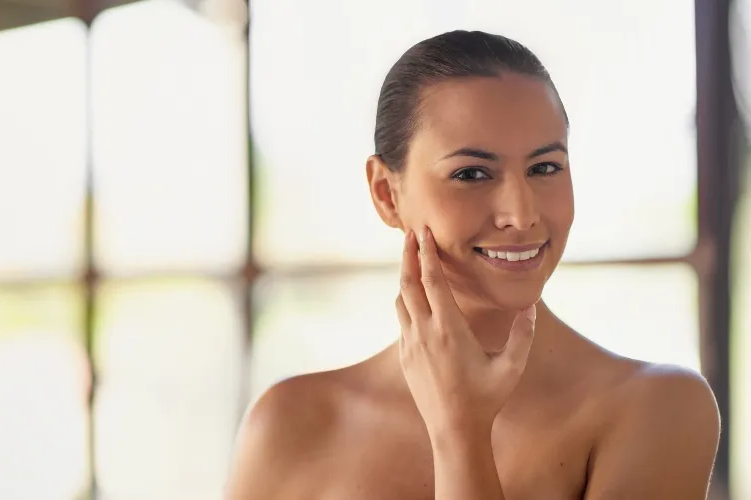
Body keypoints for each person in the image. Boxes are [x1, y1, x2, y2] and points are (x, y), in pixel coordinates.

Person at [226, 30, 720, 499]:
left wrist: (459, 431)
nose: (521, 215)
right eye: (471, 174)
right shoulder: (287, 425)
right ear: (386, 194)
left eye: (545, 167)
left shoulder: (660, 409)